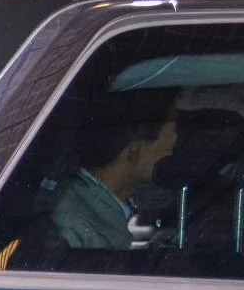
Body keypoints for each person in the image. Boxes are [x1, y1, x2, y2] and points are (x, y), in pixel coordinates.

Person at [52, 87, 178, 251]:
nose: (174, 142)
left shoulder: (135, 203)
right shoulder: (75, 227)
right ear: (136, 147)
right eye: (172, 131)